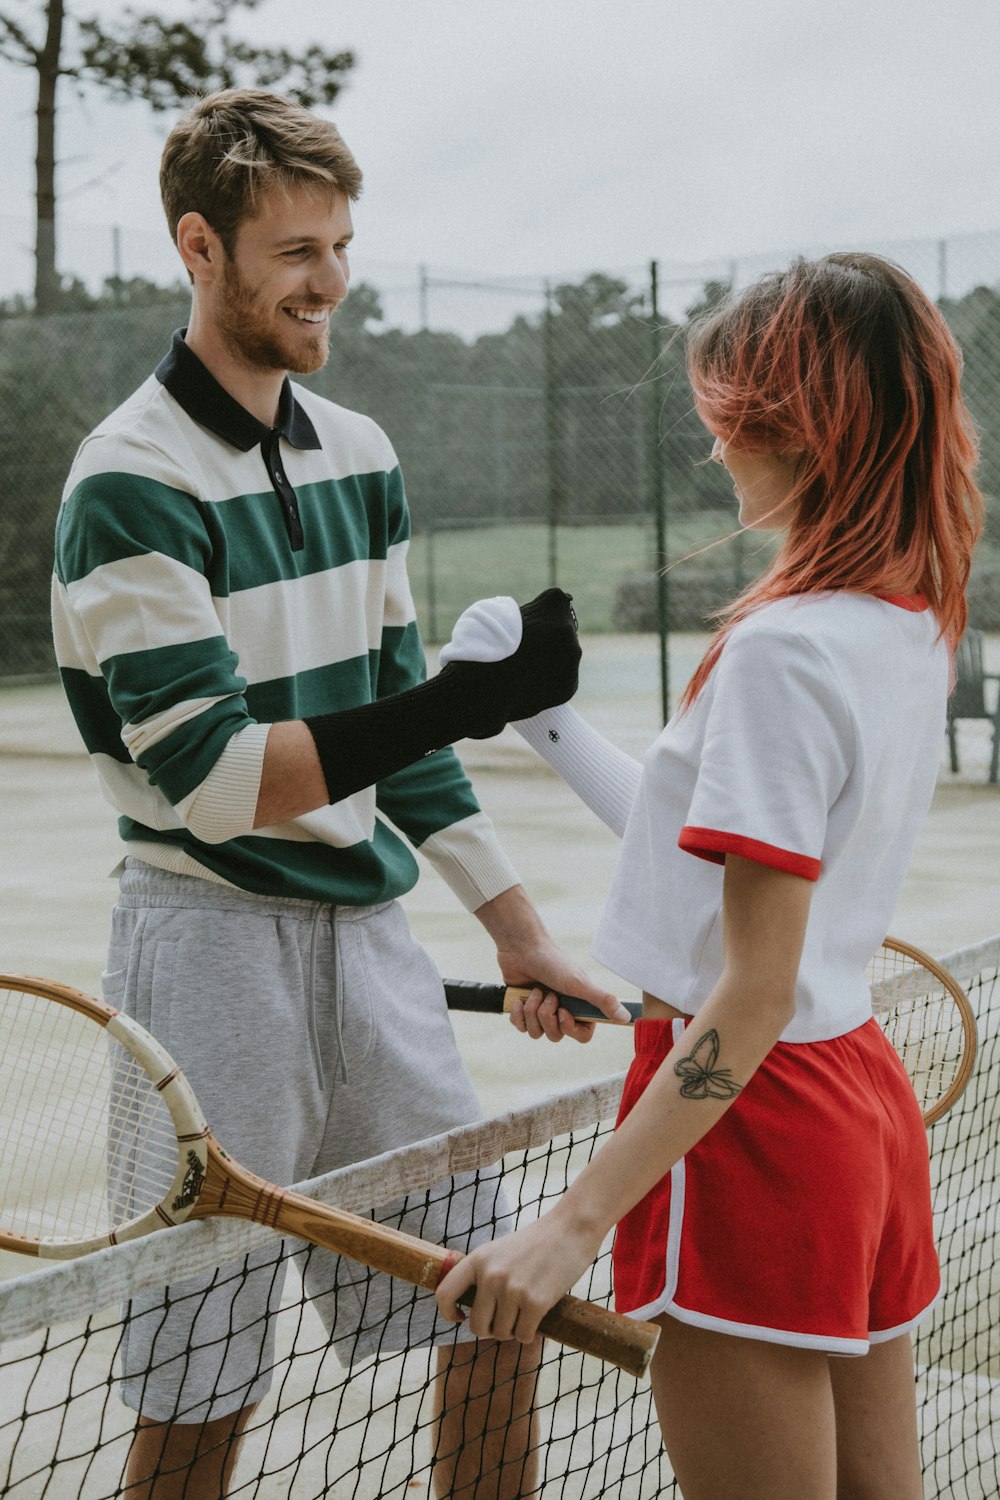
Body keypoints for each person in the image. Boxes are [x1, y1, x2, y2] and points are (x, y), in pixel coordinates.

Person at [51, 87, 624, 1500]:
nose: (332, 282)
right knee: (203, 1380)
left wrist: (515, 926)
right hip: (203, 954)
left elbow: (394, 736)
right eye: (297, 250)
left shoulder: (360, 453)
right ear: (202, 248)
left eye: (343, 244)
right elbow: (217, 779)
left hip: (372, 953)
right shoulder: (128, 483)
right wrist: (464, 699)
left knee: (494, 1304)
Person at [436, 252, 984, 1499]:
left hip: (751, 1129)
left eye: (724, 418)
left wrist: (570, 1219)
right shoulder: (908, 620)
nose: (714, 451)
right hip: (853, 1104)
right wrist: (546, 723)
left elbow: (749, 996)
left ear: (789, 426)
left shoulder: (781, 652)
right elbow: (720, 854)